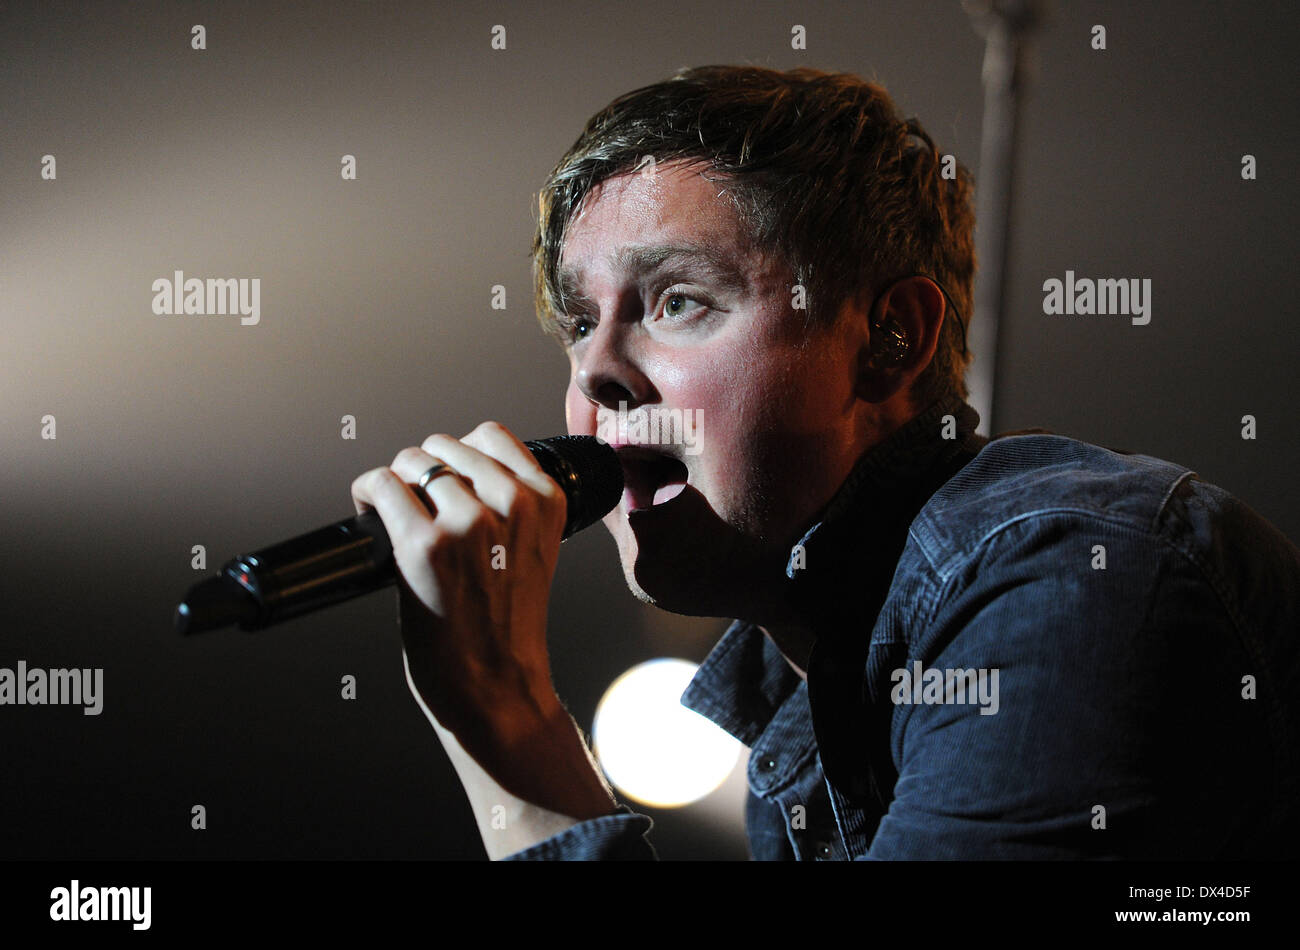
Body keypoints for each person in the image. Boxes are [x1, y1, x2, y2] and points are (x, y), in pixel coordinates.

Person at [349, 65, 1300, 859]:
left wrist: (506, 715)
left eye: (679, 301)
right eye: (579, 323)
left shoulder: (1076, 575)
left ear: (890, 338)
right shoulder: (807, 718)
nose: (596, 372)